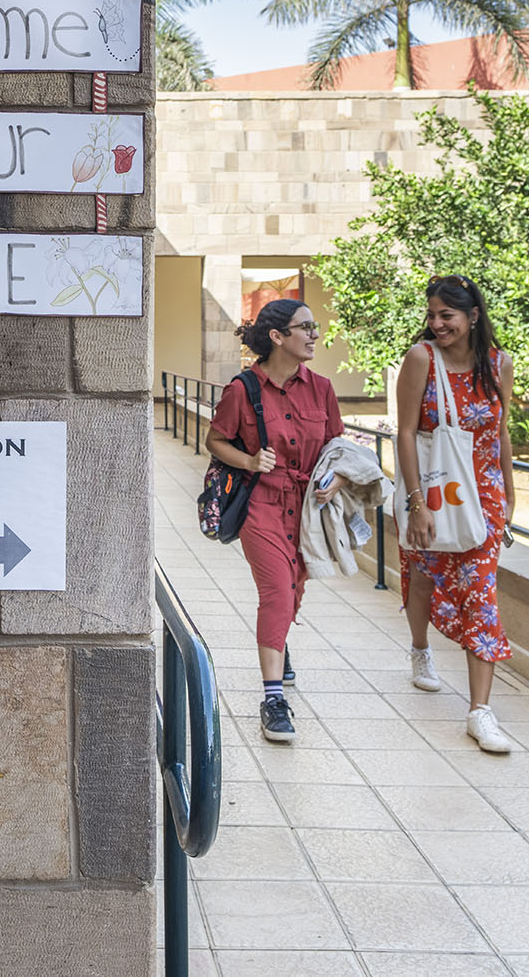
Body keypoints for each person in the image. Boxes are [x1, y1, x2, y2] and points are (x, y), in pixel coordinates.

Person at [205, 298, 343, 743]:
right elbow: (215, 440)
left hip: (307, 507)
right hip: (261, 503)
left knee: (296, 586)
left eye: (314, 325)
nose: (315, 334)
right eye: (306, 327)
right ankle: (273, 699)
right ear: (278, 337)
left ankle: (278, 646)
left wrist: (337, 478)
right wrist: (248, 459)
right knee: (278, 592)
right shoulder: (243, 389)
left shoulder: (321, 387)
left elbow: (337, 445)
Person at [394, 274, 517, 753]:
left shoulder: (499, 364)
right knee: (424, 574)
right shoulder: (421, 358)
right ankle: (421, 650)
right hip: (435, 490)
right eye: (431, 315)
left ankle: (480, 712)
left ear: (473, 317)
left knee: (482, 596)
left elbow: (501, 431)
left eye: (447, 315)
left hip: (483, 498)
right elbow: (406, 432)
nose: (437, 323)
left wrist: (509, 489)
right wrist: (416, 503)